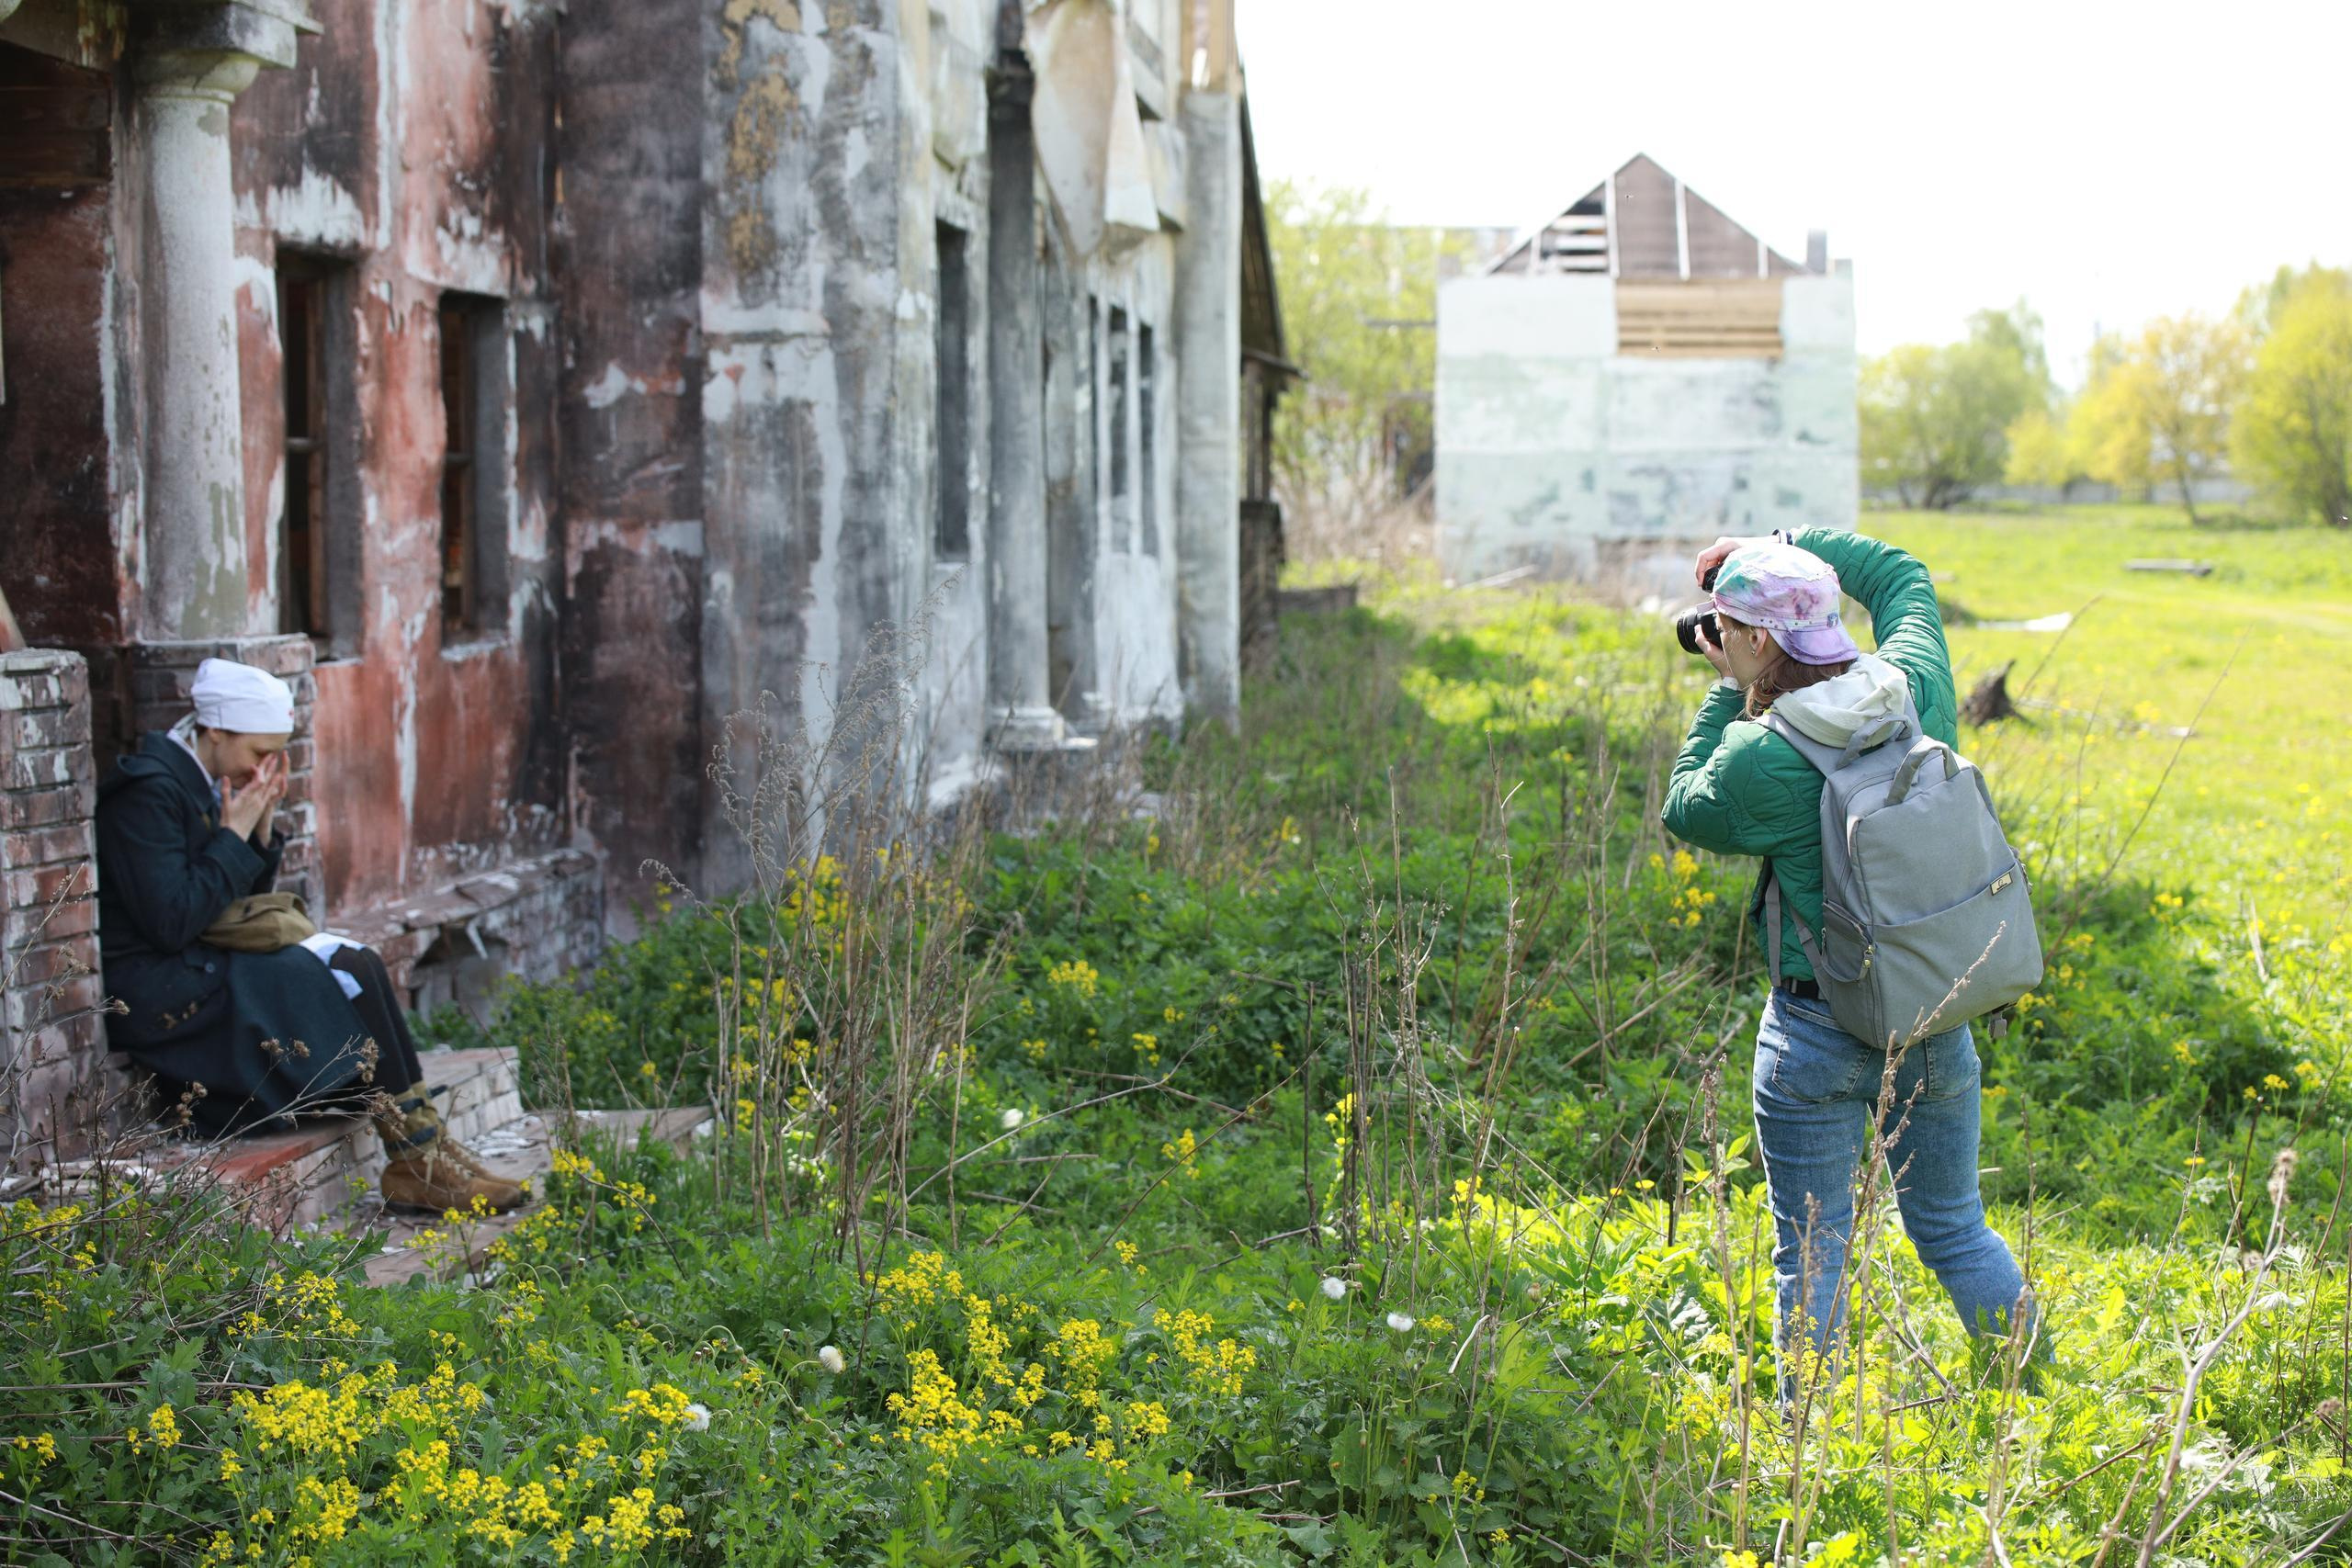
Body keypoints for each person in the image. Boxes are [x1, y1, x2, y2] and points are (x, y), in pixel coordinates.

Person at [1660, 529, 2038, 1390]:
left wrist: (1727, 696)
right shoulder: (1920, 684)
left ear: (1757, 642)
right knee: (1953, 1227)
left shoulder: (1763, 756)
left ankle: (1801, 1449)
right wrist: (1783, 544)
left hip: (1816, 1028)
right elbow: (1903, 572)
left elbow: (1688, 805)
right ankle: (2032, 1401)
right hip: (1933, 1014)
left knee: (1812, 1254)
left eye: (1730, 628)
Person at [95, 658, 523, 1213]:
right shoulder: (147, 792)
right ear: (216, 731)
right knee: (318, 972)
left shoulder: (207, 777)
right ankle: (420, 1157)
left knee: (358, 962)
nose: (266, 766)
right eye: (258, 752)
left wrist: (258, 829)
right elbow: (171, 920)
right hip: (156, 984)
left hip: (196, 956)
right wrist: (232, 834)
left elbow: (233, 901)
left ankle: (421, 1149)